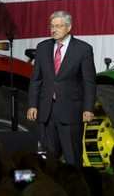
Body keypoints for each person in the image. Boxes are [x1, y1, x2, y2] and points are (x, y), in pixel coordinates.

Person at [26, 11, 96, 166]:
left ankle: (75, 189)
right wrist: (32, 104)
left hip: (71, 112)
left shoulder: (83, 49)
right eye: (51, 26)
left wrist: (88, 108)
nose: (54, 30)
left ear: (69, 27)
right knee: (48, 161)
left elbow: (88, 82)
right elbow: (36, 80)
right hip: (46, 113)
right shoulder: (43, 47)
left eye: (58, 26)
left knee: (72, 159)